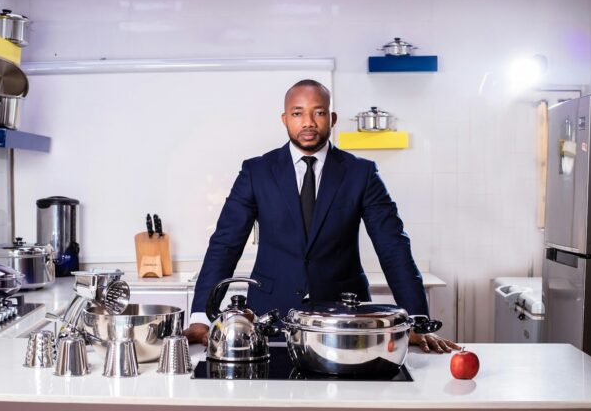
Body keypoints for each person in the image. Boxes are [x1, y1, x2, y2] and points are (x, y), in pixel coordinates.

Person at [184, 79, 459, 353]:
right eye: (297, 113)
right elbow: (225, 244)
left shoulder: (361, 174)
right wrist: (200, 315)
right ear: (284, 119)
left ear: (332, 117)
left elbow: (393, 247)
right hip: (271, 316)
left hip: (345, 318)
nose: (308, 122)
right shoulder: (256, 172)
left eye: (318, 112)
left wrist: (416, 320)